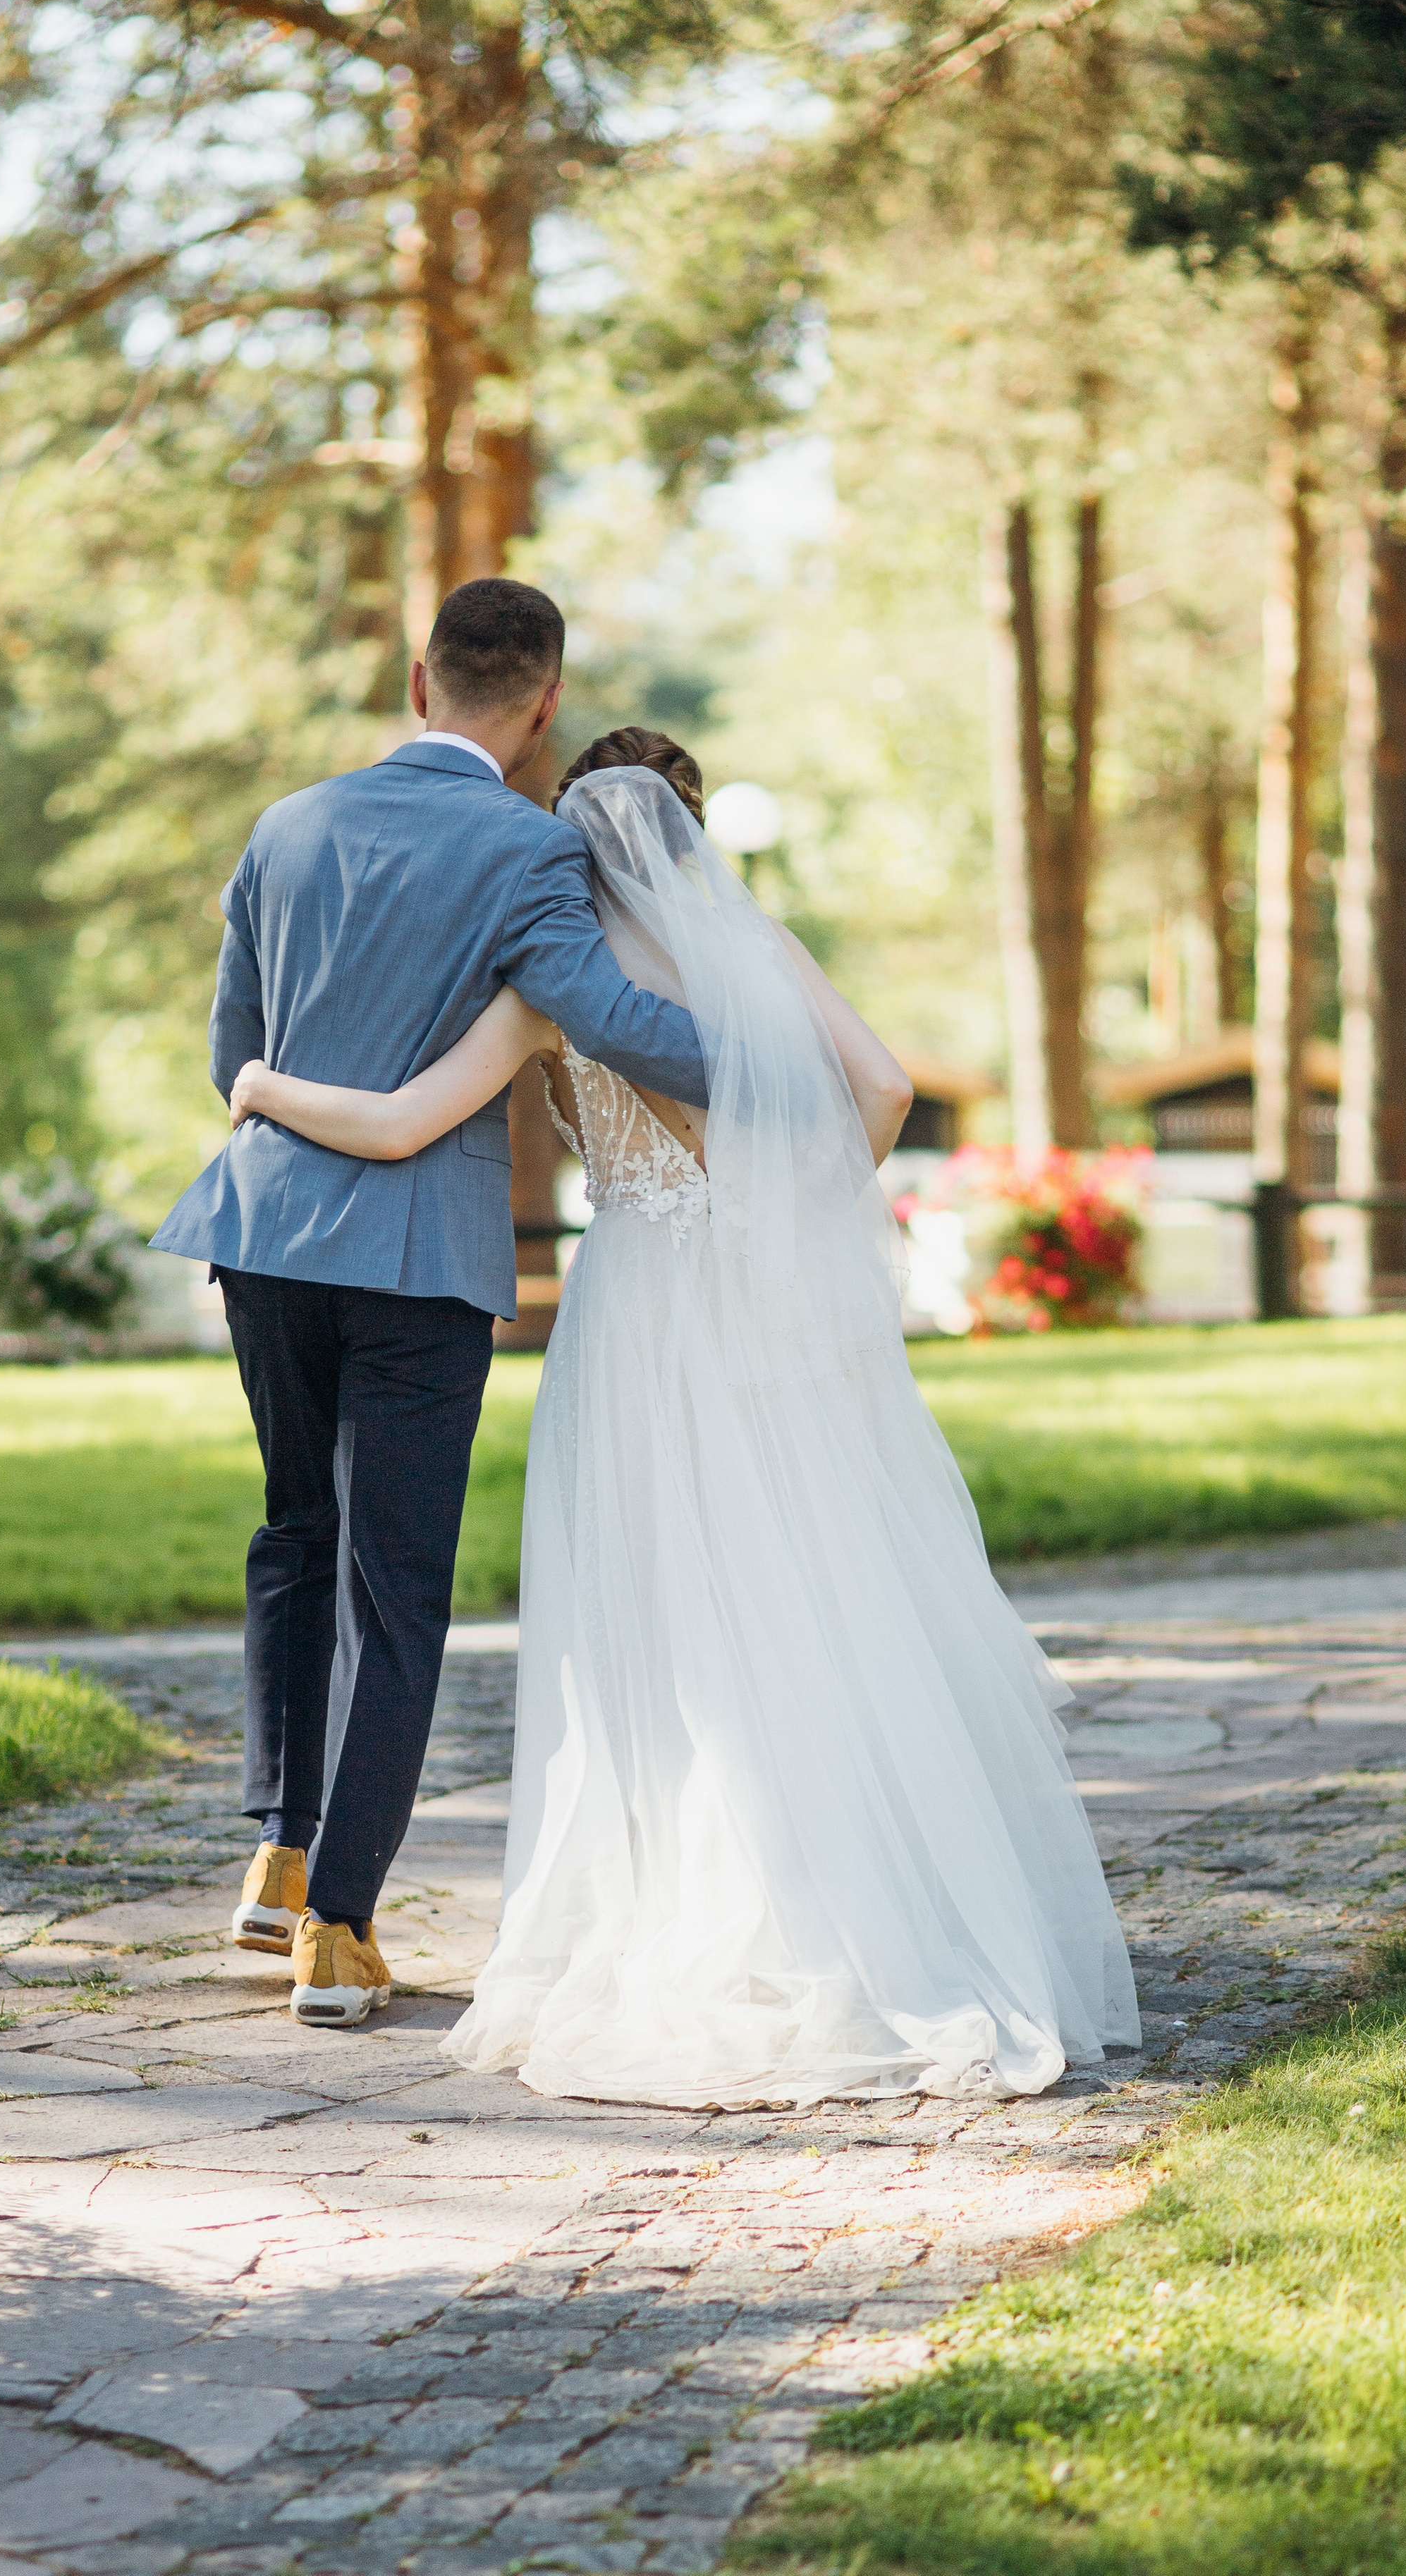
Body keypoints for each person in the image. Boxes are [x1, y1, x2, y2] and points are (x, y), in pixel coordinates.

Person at [226, 725, 1140, 2107]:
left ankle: (686, 1907)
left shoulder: (549, 984)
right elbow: (881, 1091)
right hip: (767, 1303)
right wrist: (792, 1213)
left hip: (641, 1305)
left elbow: (406, 1122)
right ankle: (872, 1912)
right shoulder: (753, 949)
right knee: (809, 1589)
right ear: (688, 830)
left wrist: (260, 1085)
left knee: (654, 1624)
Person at [151, 587, 709, 2028]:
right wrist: (772, 1048)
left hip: (264, 1238)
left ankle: (278, 1852)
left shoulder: (283, 827)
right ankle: (337, 1930)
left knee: (294, 1531)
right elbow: (611, 1018)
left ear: (417, 682)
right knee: (393, 1588)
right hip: (416, 1266)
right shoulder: (529, 850)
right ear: (541, 706)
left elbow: (237, 1047)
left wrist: (291, 1109)